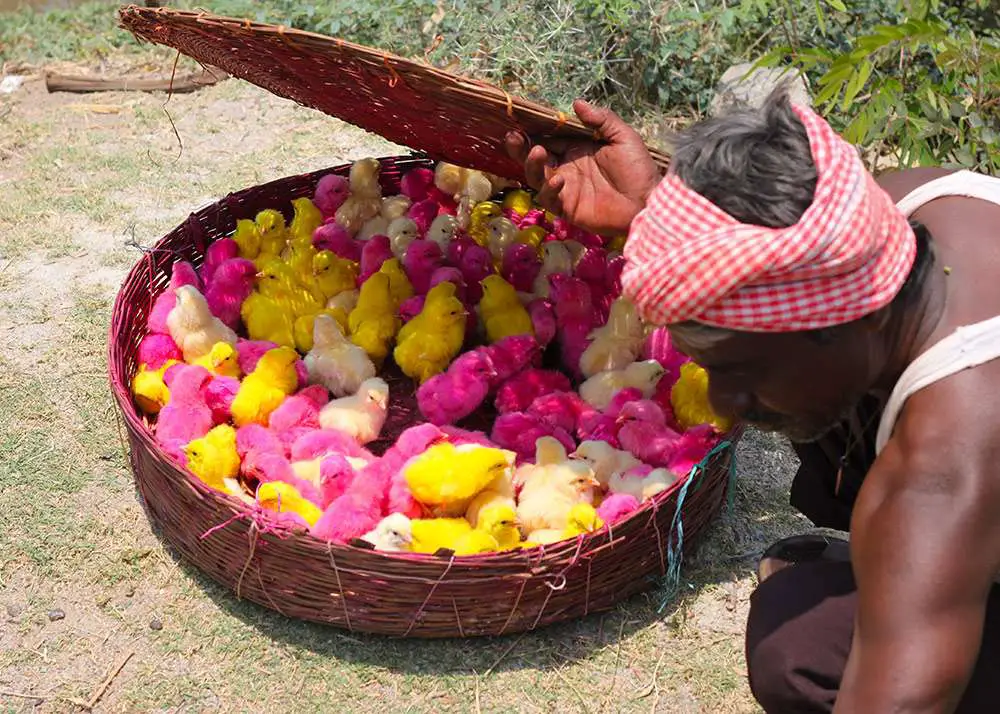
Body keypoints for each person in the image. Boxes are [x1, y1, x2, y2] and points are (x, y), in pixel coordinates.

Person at [505, 87, 1000, 713]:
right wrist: (656, 213)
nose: (725, 402)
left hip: (954, 496)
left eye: (738, 369)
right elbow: (767, 267)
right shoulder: (893, 216)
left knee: (800, 651)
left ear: (832, 325)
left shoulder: (944, 467)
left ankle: (936, 580)